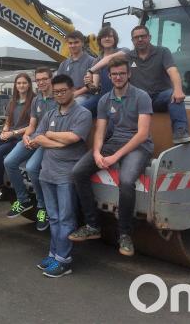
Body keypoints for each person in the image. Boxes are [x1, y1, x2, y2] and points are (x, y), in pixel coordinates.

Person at [68, 56, 153, 257]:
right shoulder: (105, 99)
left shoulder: (142, 96)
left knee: (126, 181)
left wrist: (115, 157)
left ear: (129, 74)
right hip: (113, 143)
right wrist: (97, 152)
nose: (118, 77)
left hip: (138, 146)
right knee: (77, 172)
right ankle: (92, 225)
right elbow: (100, 131)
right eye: (114, 74)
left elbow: (142, 134)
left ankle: (124, 233)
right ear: (109, 76)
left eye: (122, 73)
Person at [33, 74, 93, 277]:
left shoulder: (82, 114)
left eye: (63, 91)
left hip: (66, 175)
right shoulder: (50, 114)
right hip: (47, 173)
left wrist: (49, 135)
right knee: (54, 217)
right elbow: (37, 136)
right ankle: (54, 254)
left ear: (72, 90)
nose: (59, 95)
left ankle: (64, 261)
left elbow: (74, 137)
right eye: (56, 92)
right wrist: (58, 142)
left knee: (66, 218)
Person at [3, 67, 57, 231]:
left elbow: (55, 128)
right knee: (9, 161)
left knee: (32, 167)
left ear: (51, 79)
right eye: (38, 80)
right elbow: (32, 124)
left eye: (44, 79)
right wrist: (26, 136)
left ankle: (42, 207)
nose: (41, 82)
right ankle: (23, 200)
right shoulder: (36, 100)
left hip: (47, 140)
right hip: (33, 137)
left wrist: (38, 140)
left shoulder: (57, 98)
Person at [127, 25, 190, 144]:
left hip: (158, 98)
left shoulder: (162, 52)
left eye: (143, 36)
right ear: (132, 40)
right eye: (136, 37)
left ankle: (180, 132)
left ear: (149, 37)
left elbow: (173, 71)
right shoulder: (128, 57)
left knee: (172, 94)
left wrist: (178, 90)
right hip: (138, 100)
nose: (140, 39)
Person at [0, 73, 33, 207]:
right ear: (15, 85)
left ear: (29, 85)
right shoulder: (12, 102)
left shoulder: (33, 102)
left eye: (24, 83)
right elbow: (8, 122)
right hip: (10, 135)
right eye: (19, 83)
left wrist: (13, 133)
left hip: (20, 137)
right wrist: (4, 132)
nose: (21, 85)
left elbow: (32, 126)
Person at [82, 26, 129, 116]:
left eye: (110, 36)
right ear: (100, 40)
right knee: (80, 109)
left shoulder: (124, 51)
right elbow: (95, 87)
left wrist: (91, 70)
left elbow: (109, 59)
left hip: (121, 94)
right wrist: (89, 84)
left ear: (115, 39)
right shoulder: (97, 60)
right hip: (103, 95)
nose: (107, 38)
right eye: (104, 36)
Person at [56, 31, 95, 106]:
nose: (73, 45)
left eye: (76, 42)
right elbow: (59, 84)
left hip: (85, 96)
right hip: (66, 96)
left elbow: (93, 84)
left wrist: (76, 93)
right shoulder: (63, 64)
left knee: (72, 106)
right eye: (70, 43)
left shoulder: (92, 61)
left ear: (82, 43)